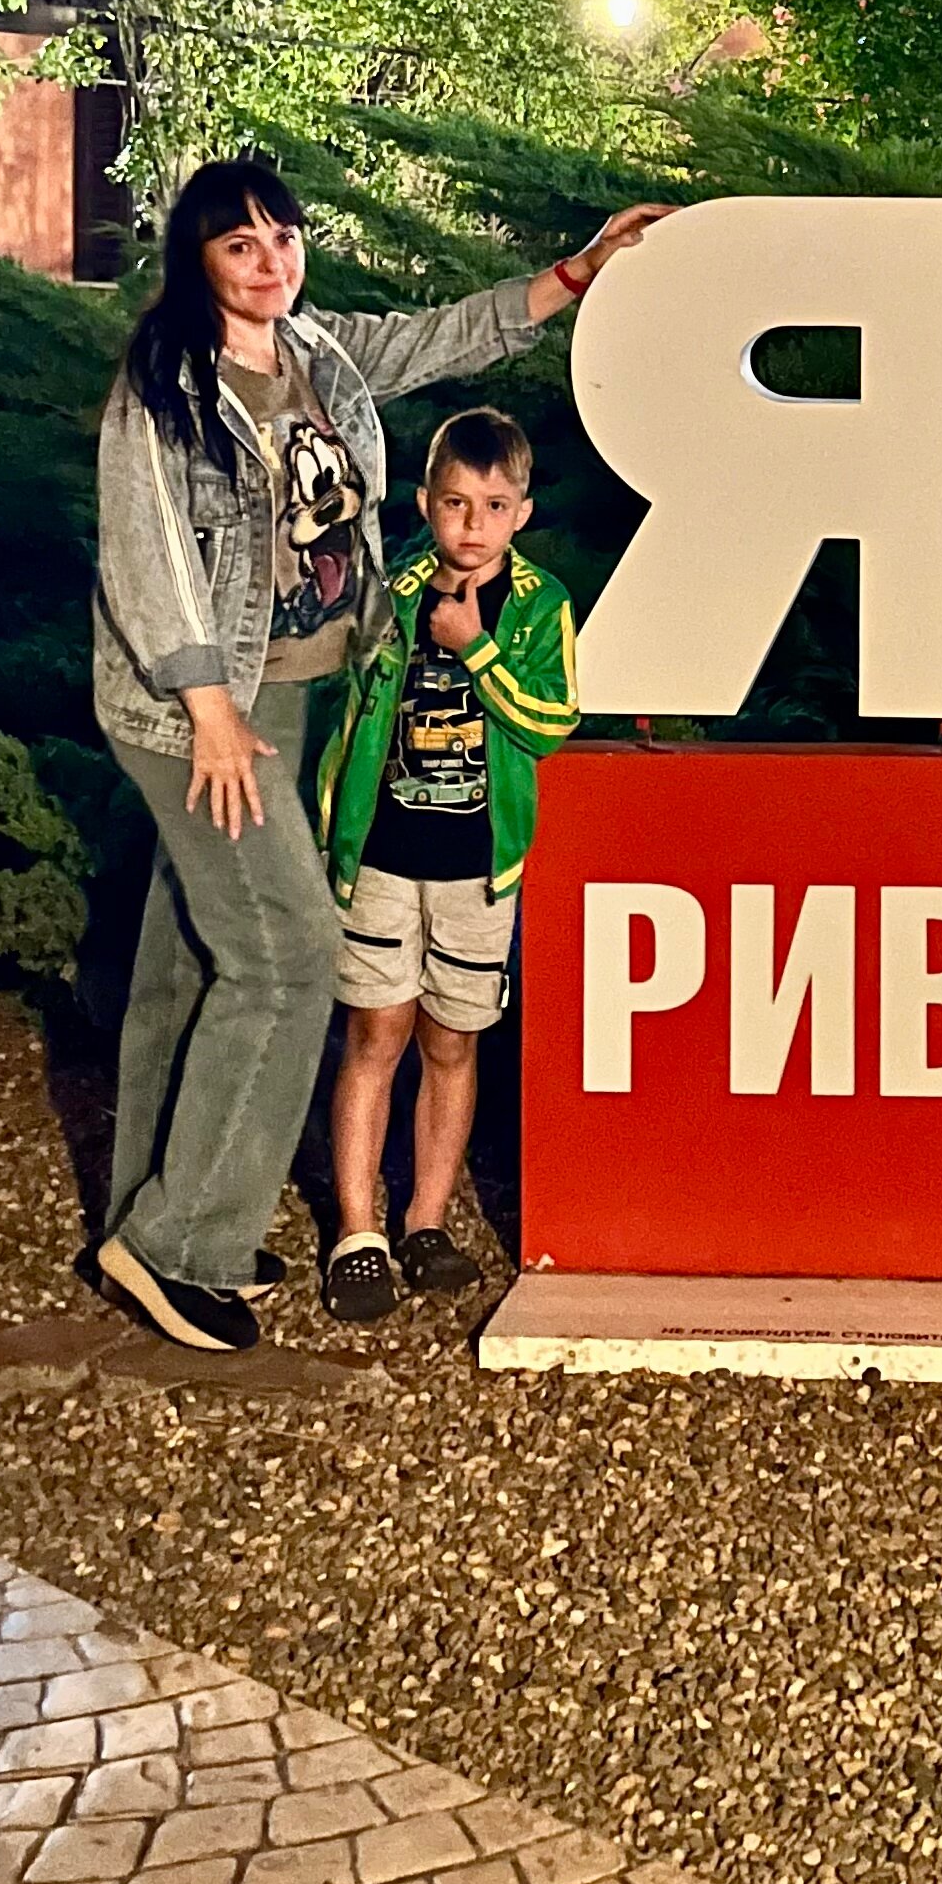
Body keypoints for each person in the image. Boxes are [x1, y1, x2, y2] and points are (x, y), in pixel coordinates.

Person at [89, 155, 657, 1354]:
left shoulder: (317, 353)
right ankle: (179, 1245)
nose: (271, 263)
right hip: (207, 713)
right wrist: (208, 710)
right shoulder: (165, 385)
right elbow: (149, 555)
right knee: (290, 955)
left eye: (283, 238)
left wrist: (576, 272)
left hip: (306, 694)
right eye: (241, 245)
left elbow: (441, 337)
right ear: (198, 260)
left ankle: (151, 1207)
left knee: (189, 955)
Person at [310, 405, 574, 1321]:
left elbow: (550, 724)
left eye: (494, 506)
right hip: (383, 856)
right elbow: (346, 710)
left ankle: (424, 1220)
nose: (473, 524)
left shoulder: (541, 605)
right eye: (456, 503)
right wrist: (330, 827)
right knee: (374, 1034)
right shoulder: (391, 591)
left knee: (452, 1042)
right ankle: (357, 1232)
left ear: (521, 514)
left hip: (477, 868)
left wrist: (478, 651)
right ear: (426, 503)